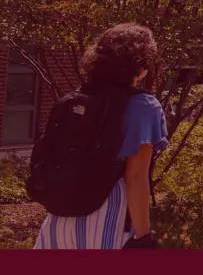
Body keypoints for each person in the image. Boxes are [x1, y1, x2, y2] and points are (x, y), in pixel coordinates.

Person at [32, 23, 168, 249]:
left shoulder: (77, 99)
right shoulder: (143, 106)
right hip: (107, 222)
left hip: (57, 223)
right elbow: (135, 176)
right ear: (142, 66)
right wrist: (144, 237)